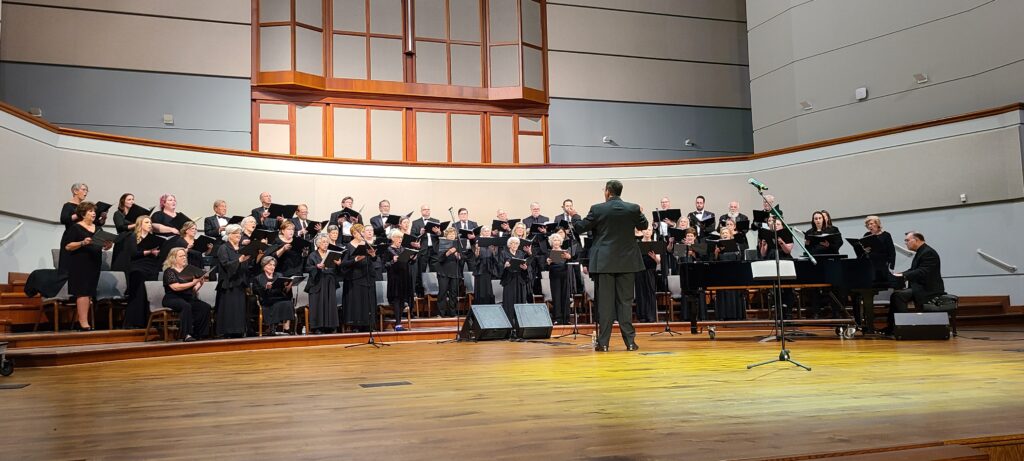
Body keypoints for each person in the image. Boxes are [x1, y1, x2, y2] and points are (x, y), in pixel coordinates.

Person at [571, 180, 648, 352]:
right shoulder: (632, 208)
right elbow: (644, 225)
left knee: (605, 304)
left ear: (607, 192)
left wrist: (575, 216)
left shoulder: (598, 209)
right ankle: (630, 343)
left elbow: (581, 227)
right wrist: (640, 213)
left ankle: (604, 343)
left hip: (604, 262)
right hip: (627, 262)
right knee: (625, 303)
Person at [60, 201, 112, 330]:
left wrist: (107, 245)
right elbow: (68, 246)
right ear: (83, 213)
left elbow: (102, 245)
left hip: (94, 262)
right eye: (90, 211)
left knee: (89, 291)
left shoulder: (98, 228)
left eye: (94, 211)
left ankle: (84, 321)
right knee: (82, 292)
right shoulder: (75, 227)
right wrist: (82, 243)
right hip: (80, 263)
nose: (93, 213)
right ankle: (83, 322)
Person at [885, 232, 945, 334]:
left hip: (928, 289)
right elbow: (914, 269)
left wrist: (904, 276)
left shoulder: (928, 252)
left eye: (907, 240)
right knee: (896, 295)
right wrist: (901, 274)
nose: (905, 243)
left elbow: (923, 271)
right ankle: (892, 328)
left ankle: (904, 327)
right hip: (920, 287)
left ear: (916, 240)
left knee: (898, 296)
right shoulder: (922, 251)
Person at [161, 247, 211, 341]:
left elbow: (197, 285)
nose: (184, 258)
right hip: (172, 298)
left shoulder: (190, 269)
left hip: (188, 297)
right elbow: (175, 287)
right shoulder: (169, 271)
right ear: (173, 258)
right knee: (186, 306)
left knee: (205, 307)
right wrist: (193, 283)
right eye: (181, 256)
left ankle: (199, 333)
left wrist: (198, 285)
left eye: (185, 256)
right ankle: (186, 334)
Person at [121, 216, 163, 328]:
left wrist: (157, 253)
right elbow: (133, 254)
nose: (150, 224)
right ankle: (135, 322)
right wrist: (149, 251)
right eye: (147, 222)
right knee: (139, 294)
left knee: (150, 295)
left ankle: (148, 322)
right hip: (138, 269)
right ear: (140, 224)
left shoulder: (153, 238)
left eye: (150, 222)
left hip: (151, 268)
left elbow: (158, 254)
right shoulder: (133, 236)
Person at [216, 224, 253, 337]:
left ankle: (239, 331)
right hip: (229, 283)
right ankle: (228, 332)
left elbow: (248, 267)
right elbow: (225, 265)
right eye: (235, 233)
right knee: (229, 309)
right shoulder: (223, 248)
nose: (239, 235)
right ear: (229, 235)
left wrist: (258, 258)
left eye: (240, 233)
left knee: (239, 309)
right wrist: (239, 260)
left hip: (240, 283)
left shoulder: (242, 249)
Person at [341, 224, 378, 332]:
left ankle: (368, 324)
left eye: (362, 232)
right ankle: (356, 325)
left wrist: (373, 255)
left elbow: (374, 260)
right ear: (353, 234)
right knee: (357, 302)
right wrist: (355, 260)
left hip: (368, 276)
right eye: (358, 232)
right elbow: (344, 264)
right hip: (355, 278)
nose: (361, 234)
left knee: (368, 301)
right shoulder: (348, 246)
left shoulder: (367, 244)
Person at [306, 234, 341, 333]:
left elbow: (338, 270)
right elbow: (307, 268)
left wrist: (338, 265)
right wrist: (317, 267)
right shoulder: (313, 255)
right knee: (317, 304)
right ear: (318, 244)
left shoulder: (332, 254)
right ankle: (317, 327)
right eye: (323, 242)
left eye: (327, 242)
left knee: (330, 304)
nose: (326, 244)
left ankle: (331, 326)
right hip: (317, 282)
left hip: (329, 282)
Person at [253, 256, 295, 335]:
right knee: (277, 304)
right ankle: (272, 327)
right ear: (264, 266)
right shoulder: (258, 278)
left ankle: (286, 327)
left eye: (273, 265)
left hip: (279, 297)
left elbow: (284, 291)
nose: (272, 267)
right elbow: (257, 291)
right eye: (270, 265)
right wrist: (266, 287)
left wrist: (288, 287)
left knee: (288, 302)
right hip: (267, 299)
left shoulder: (279, 275)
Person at [712, 227, 746, 321]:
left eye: (726, 232)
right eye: (723, 233)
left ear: (730, 234)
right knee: (722, 293)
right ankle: (723, 315)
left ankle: (737, 315)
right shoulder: (717, 245)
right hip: (722, 273)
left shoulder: (735, 244)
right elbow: (715, 261)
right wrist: (716, 253)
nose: (725, 234)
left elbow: (739, 258)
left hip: (733, 272)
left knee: (734, 292)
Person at [383, 229, 414, 330]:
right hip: (394, 278)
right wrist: (393, 260)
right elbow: (385, 265)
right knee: (396, 299)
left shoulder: (404, 249)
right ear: (392, 238)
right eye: (398, 237)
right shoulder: (388, 249)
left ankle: (399, 323)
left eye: (401, 237)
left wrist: (413, 258)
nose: (400, 239)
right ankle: (397, 323)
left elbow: (408, 262)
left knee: (402, 300)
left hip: (404, 277)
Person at [498, 236, 531, 321]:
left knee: (520, 300)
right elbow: (499, 266)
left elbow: (526, 265)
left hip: (519, 279)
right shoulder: (503, 253)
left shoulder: (521, 253)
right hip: (509, 280)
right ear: (509, 245)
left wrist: (525, 268)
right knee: (509, 301)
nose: (514, 245)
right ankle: (509, 322)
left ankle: (520, 321)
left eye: (516, 243)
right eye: (512, 243)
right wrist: (504, 266)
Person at [545, 233, 573, 325]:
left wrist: (569, 258)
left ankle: (567, 318)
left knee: (565, 295)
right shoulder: (548, 252)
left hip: (564, 274)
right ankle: (557, 318)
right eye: (554, 240)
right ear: (551, 242)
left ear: (560, 242)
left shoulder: (565, 251)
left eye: (557, 240)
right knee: (556, 296)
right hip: (554, 275)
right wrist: (548, 262)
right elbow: (544, 266)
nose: (556, 242)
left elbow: (572, 262)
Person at [634, 227, 660, 323]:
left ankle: (650, 316)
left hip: (650, 271)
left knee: (650, 292)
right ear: (642, 231)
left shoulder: (655, 243)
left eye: (649, 230)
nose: (648, 232)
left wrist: (654, 258)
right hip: (639, 271)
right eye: (646, 230)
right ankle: (642, 316)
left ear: (652, 232)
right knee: (640, 293)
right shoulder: (637, 244)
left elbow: (659, 261)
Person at [436, 227, 462, 317]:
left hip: (455, 272)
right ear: (446, 235)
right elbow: (439, 259)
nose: (451, 235)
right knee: (442, 292)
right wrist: (448, 253)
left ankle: (453, 313)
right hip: (443, 271)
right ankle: (441, 313)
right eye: (450, 234)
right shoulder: (442, 244)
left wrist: (458, 256)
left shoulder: (458, 244)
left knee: (453, 293)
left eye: (453, 234)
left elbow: (462, 260)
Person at [470, 226, 499, 305]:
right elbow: (475, 257)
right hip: (480, 268)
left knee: (490, 288)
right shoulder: (477, 242)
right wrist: (477, 250)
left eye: (488, 231)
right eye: (485, 231)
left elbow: (496, 257)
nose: (487, 233)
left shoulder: (494, 242)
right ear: (481, 233)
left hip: (491, 268)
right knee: (481, 289)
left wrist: (493, 251)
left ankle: (490, 305)